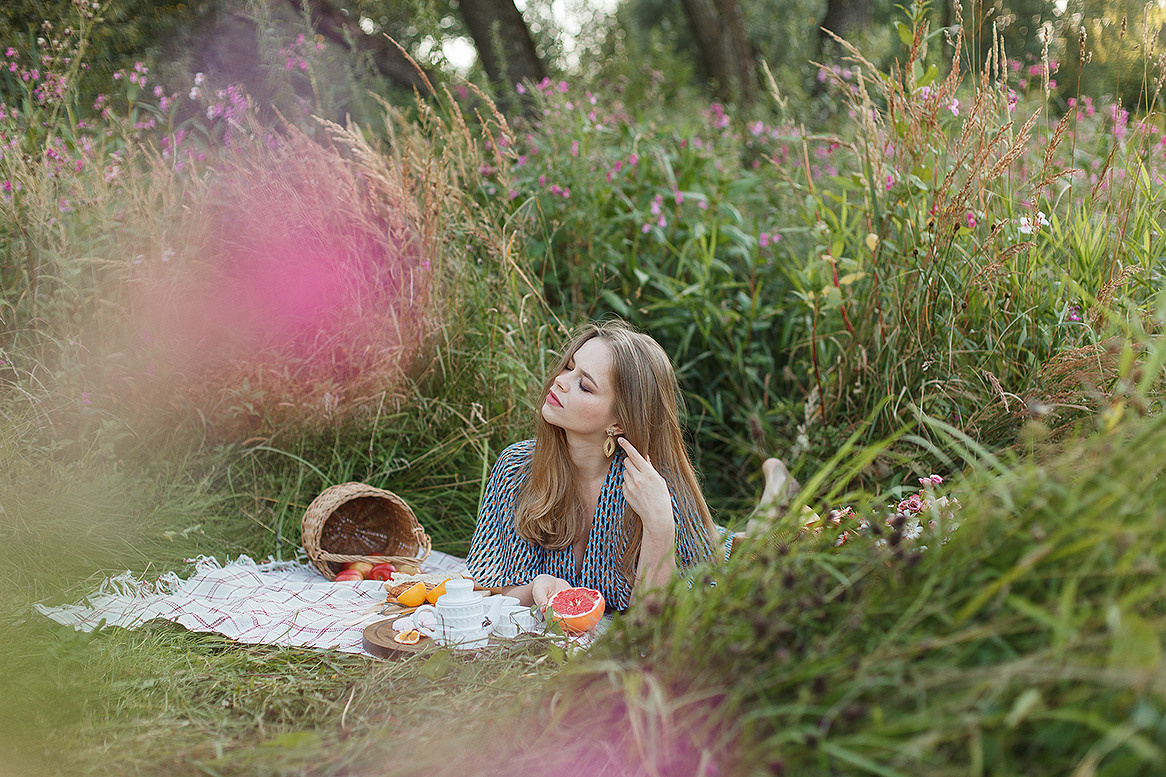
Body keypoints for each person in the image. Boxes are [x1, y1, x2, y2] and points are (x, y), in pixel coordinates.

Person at [465, 319, 726, 612]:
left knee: (759, 537)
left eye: (584, 386)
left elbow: (659, 625)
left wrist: (660, 526)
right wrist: (536, 588)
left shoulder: (656, 486)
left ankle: (775, 483)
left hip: (721, 552)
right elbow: (490, 592)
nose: (561, 381)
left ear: (619, 422)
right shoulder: (517, 467)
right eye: (568, 366)